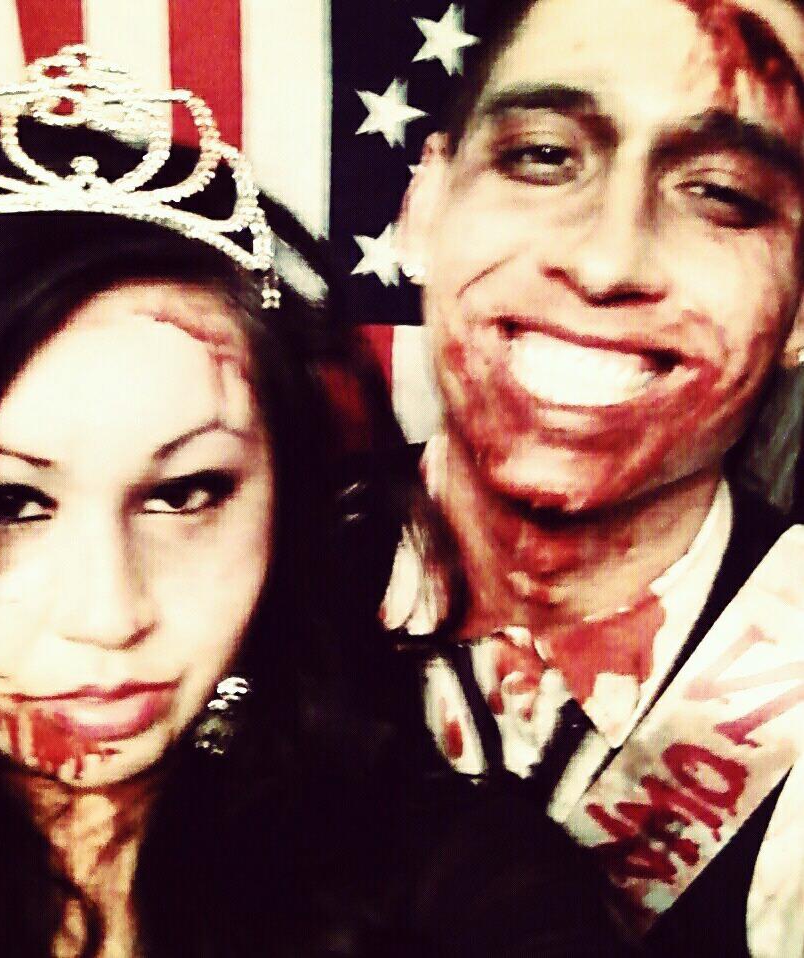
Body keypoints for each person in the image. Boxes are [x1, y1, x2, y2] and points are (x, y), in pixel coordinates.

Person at [0, 47, 624, 958]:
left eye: (185, 493)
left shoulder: (447, 880)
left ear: (283, 502)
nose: (110, 617)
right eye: (7, 503)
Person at [394, 0, 804, 954]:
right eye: (543, 156)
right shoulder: (221, 581)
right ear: (423, 211)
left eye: (723, 195)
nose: (608, 260)